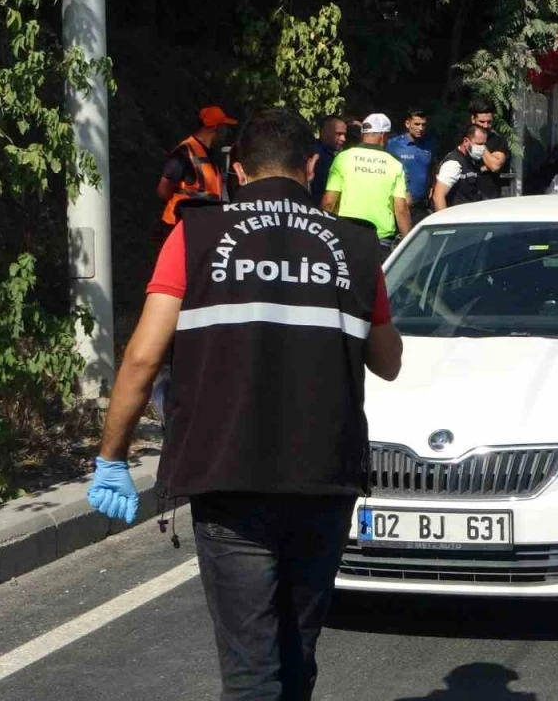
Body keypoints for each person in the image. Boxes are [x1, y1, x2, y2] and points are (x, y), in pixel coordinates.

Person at [86, 108, 403, 700]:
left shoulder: (195, 235)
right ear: (312, 168)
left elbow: (141, 358)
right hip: (324, 478)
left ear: (235, 171)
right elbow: (388, 361)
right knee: (296, 654)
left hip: (229, 478)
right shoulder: (356, 247)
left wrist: (112, 457)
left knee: (251, 669)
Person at [321, 113, 413, 261]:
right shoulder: (394, 164)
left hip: (346, 235)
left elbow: (329, 201)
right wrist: (409, 244)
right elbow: (401, 209)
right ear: (383, 136)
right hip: (380, 239)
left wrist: (322, 233)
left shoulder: (343, 158)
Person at [155, 105, 238, 246]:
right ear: (216, 128)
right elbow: (163, 191)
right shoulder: (184, 152)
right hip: (179, 226)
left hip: (199, 225)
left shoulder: (210, 153)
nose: (226, 133)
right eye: (224, 127)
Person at [386, 110, 437, 225]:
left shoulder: (429, 144)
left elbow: (433, 164)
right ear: (407, 124)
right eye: (417, 124)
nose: (421, 128)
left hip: (421, 205)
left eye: (423, 125)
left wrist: (433, 184)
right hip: (399, 203)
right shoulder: (393, 145)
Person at [432, 124, 488, 211]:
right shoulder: (453, 164)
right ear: (466, 141)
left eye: (484, 144)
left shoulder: (472, 159)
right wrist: (446, 223)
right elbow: (438, 196)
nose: (481, 148)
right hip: (458, 219)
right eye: (478, 144)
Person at [469, 100, 509, 199]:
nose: (485, 126)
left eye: (489, 122)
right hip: (465, 197)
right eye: (481, 122)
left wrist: (480, 143)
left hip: (489, 196)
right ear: (473, 119)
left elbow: (495, 166)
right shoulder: (463, 138)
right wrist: (483, 167)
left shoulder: (499, 141)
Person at [309, 115, 347, 204]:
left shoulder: (334, 154)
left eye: (345, 134)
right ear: (325, 133)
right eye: (339, 134)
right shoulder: (313, 153)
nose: (343, 139)